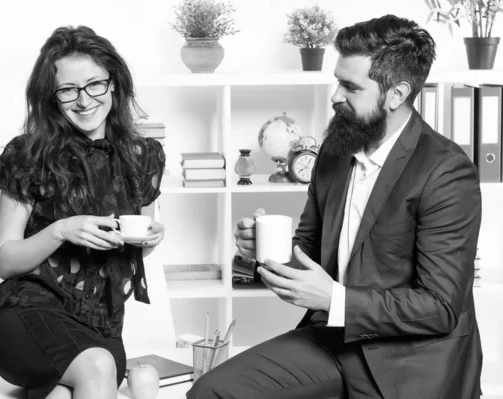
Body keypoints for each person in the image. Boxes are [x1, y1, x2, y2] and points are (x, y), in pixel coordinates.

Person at [187, 14, 482, 399]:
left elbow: (440, 306)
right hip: (334, 340)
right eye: (336, 81)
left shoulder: (446, 170)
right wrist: (262, 252)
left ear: (396, 94)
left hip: (410, 363)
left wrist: (334, 299)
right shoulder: (334, 150)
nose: (335, 96)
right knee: (211, 392)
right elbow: (307, 254)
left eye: (350, 86)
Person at [0, 26, 166, 399]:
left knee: (63, 392)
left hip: (102, 326)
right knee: (97, 367)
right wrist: (61, 230)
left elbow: (134, 245)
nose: (84, 101)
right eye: (68, 90)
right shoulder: (28, 155)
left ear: (113, 83)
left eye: (95, 84)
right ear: (52, 97)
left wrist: (151, 238)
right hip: (26, 314)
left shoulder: (143, 156)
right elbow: (4, 260)